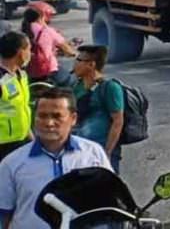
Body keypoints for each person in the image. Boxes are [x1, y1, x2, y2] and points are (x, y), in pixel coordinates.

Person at [0, 87, 110, 229]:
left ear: (73, 118)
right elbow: (3, 214)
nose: (49, 123)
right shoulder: (12, 163)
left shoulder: (93, 154)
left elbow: (109, 204)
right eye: (42, 116)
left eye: (57, 116)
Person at [71, 45, 125, 172]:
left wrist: (107, 152)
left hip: (101, 150)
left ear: (91, 65)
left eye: (79, 60)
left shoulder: (110, 88)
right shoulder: (76, 86)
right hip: (80, 150)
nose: (74, 64)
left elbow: (118, 121)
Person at [23, 4, 76, 86]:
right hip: (48, 71)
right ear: (41, 16)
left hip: (27, 72)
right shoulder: (47, 31)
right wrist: (73, 53)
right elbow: (68, 50)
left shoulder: (22, 31)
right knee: (72, 80)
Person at [0, 31, 32, 162]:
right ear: (21, 52)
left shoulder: (21, 75)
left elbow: (21, 109)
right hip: (4, 145)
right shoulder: (1, 80)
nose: (31, 53)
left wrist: (31, 138)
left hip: (22, 140)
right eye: (29, 49)